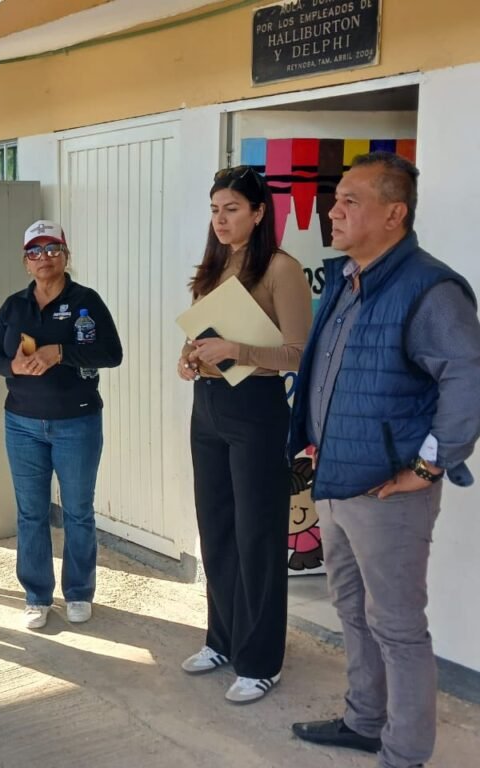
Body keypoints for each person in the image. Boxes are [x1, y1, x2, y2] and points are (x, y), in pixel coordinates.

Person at [288, 152, 480, 767]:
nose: (332, 210)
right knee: (351, 608)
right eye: (335, 199)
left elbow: (468, 378)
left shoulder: (430, 287)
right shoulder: (349, 279)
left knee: (397, 626)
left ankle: (404, 752)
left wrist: (428, 466)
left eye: (350, 201)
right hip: (340, 479)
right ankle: (364, 721)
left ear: (394, 213)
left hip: (389, 492)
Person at [176, 166, 312, 704]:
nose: (221, 220)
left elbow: (299, 354)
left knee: (257, 536)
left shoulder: (282, 269)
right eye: (215, 210)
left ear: (259, 213)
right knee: (216, 530)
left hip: (256, 409)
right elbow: (202, 338)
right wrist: (188, 358)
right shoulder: (213, 267)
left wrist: (239, 350)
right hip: (207, 406)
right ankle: (223, 640)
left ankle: (261, 661)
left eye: (232, 209)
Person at [0, 220, 122, 630]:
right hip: (22, 423)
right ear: (26, 262)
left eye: (52, 249)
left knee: (78, 512)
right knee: (31, 513)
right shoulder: (13, 306)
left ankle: (79, 592)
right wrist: (14, 364)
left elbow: (111, 353)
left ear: (66, 255)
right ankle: (36, 595)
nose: (44, 258)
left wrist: (60, 351)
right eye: (35, 252)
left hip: (76, 421)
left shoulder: (86, 302)